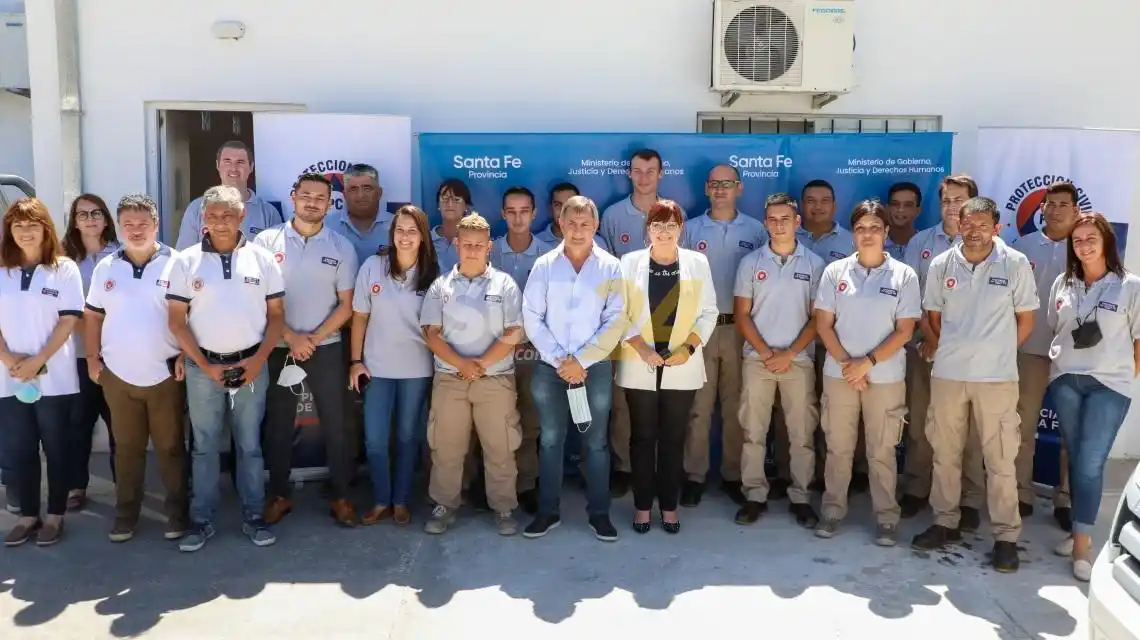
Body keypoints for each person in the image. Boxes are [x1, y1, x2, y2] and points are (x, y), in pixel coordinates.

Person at [911, 196, 1037, 573]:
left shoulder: (1014, 264)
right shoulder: (940, 264)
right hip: (948, 375)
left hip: (996, 379)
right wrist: (949, 348)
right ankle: (944, 521)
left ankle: (1005, 537)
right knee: (945, 453)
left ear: (997, 227)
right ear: (958, 224)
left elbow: (1026, 320)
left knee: (999, 460)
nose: (975, 230)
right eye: (968, 223)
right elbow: (930, 316)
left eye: (983, 224)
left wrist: (995, 351)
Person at [166, 185, 286, 552]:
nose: (220, 222)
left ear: (242, 217)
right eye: (213, 215)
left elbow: (277, 319)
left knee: (249, 445)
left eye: (228, 215)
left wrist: (257, 361)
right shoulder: (185, 261)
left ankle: (254, 515)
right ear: (203, 217)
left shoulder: (263, 260)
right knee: (203, 447)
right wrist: (203, 364)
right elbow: (176, 322)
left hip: (252, 364)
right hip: (204, 368)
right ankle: (201, 521)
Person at [813, 200, 921, 545]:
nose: (868, 234)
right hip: (840, 375)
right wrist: (849, 365)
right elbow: (823, 324)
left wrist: (868, 363)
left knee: (882, 451)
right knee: (838, 448)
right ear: (853, 234)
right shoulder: (835, 272)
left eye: (875, 227)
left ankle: (886, 517)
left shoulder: (904, 275)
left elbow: (905, 330)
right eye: (861, 228)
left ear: (887, 232)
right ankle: (832, 511)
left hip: (885, 378)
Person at [255, 173, 359, 528]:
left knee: (337, 423)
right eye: (306, 195)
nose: (313, 202)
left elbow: (347, 306)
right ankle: (279, 494)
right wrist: (291, 337)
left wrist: (311, 338)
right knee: (279, 424)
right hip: (279, 347)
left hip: (326, 347)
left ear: (330, 204)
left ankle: (341, 495)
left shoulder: (341, 246)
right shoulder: (266, 243)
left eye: (321, 198)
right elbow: (256, 300)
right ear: (293, 196)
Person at [83, 193, 189, 542]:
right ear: (120, 227)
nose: (136, 230)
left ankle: (177, 515)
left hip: (165, 375)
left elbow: (191, 317)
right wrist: (94, 359)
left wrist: (187, 355)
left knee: (171, 448)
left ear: (156, 224)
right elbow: (93, 317)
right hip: (119, 377)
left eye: (143, 223)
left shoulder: (177, 264)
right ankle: (126, 515)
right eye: (128, 224)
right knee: (126, 450)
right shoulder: (106, 267)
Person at [523, 195, 626, 541]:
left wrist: (580, 361)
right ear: (561, 224)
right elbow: (532, 318)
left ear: (595, 226)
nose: (578, 230)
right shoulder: (544, 266)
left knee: (596, 444)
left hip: (592, 368)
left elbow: (615, 320)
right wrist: (560, 361)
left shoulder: (611, 267)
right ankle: (547, 513)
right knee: (550, 440)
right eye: (572, 223)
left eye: (585, 224)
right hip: (550, 369)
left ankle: (599, 515)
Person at [1045, 212, 1138, 580]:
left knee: (1090, 463)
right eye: (1077, 240)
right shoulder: (1063, 284)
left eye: (1090, 239)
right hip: (1066, 378)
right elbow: (1057, 328)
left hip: (1108, 385)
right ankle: (1078, 531)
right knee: (1075, 455)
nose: (1083, 246)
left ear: (1106, 242)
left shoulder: (1130, 285)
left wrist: (1123, 375)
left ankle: (1083, 548)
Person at [419, 213, 524, 535]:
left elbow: (515, 331)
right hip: (451, 379)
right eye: (467, 245)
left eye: (479, 245)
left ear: (489, 247)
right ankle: (444, 505)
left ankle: (504, 508)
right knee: (447, 447)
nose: (473, 251)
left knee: (500, 447)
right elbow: (431, 333)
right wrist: (462, 364)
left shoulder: (504, 284)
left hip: (495, 380)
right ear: (456, 244)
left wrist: (480, 364)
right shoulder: (441, 286)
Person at [617, 200, 717, 533]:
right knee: (643, 439)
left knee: (674, 439)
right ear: (647, 228)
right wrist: (640, 347)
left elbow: (709, 312)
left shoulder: (697, 263)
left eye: (670, 225)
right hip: (639, 361)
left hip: (681, 363)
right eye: (657, 225)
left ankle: (670, 507)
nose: (664, 231)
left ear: (681, 228)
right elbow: (617, 312)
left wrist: (689, 347)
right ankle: (643, 506)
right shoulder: (629, 263)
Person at [899, 174, 987, 525]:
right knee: (921, 421)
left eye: (959, 199)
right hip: (925, 349)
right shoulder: (920, 243)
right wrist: (927, 340)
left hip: (971, 358)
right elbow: (910, 298)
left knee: (967, 428)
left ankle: (968, 498)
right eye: (947, 199)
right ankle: (918, 488)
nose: (952, 206)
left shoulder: (990, 246)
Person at [733, 194, 825, 527]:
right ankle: (754, 494)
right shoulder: (751, 263)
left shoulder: (815, 264)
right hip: (758, 359)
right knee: (753, 431)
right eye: (771, 219)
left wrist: (788, 353)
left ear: (797, 221)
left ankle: (800, 497)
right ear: (765, 223)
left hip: (798, 360)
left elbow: (818, 319)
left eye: (785, 218)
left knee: (801, 433)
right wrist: (768, 353)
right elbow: (742, 316)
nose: (778, 225)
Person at [678, 165, 768, 507]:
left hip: (740, 330)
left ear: (739, 188)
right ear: (705, 188)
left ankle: (733, 475)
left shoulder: (757, 230)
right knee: (698, 408)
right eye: (714, 184)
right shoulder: (690, 229)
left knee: (736, 407)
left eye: (727, 184)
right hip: (699, 330)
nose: (720, 190)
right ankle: (694, 475)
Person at [0, 198, 84, 547]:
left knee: (56, 447)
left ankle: (54, 515)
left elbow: (69, 320)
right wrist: (6, 358)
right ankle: (27, 515)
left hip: (55, 375)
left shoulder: (63, 269)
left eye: (32, 224)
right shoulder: (2, 270)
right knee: (19, 448)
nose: (24, 231)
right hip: (9, 376)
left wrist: (38, 360)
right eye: (17, 225)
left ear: (45, 228)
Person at [350, 205, 439, 526]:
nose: (405, 237)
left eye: (412, 231)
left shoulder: (433, 274)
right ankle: (380, 500)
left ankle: (400, 500)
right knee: (374, 439)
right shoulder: (372, 267)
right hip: (376, 368)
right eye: (399, 230)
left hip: (417, 369)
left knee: (406, 437)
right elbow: (359, 316)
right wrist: (356, 361)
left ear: (423, 237)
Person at [600, 149, 678, 496]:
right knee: (623, 402)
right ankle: (624, 468)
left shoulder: (673, 212)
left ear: (661, 174)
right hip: (624, 325)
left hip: (668, 325)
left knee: (669, 403)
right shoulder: (613, 215)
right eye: (637, 171)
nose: (644, 177)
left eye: (651, 171)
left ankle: (666, 471)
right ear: (629, 174)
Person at [1009, 180, 1080, 522]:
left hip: (1074, 354)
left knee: (1071, 430)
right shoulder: (1021, 248)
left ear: (1075, 209)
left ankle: (1064, 498)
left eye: (1062, 204)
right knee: (1022, 424)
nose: (1054, 210)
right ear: (1041, 208)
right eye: (1049, 204)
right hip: (1029, 349)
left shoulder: (1085, 246)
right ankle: (1020, 492)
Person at [490, 186, 552, 514]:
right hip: (493, 353)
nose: (517, 218)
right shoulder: (487, 252)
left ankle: (526, 484)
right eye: (511, 211)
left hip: (533, 352)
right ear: (502, 214)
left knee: (530, 420)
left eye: (524, 211)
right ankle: (495, 486)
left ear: (534, 213)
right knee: (493, 422)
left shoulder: (548, 256)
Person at [61, 193, 120, 512]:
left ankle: (124, 485)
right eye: (82, 215)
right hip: (78, 356)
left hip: (116, 355)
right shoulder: (62, 259)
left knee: (119, 425)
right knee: (78, 423)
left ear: (106, 218)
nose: (90, 219)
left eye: (96, 213)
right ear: (74, 221)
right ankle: (75, 486)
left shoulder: (121, 255)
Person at [174, 141, 285, 250]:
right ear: (217, 165)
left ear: (251, 167)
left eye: (240, 162)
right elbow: (184, 256)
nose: (234, 168)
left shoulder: (269, 213)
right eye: (227, 161)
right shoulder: (197, 207)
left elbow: (276, 258)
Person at [327, 163, 394, 266]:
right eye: (353, 189)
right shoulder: (326, 227)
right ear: (344, 195)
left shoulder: (399, 226)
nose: (360, 195)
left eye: (367, 188)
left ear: (379, 193)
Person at [536, 182, 612, 254]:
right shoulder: (536, 243)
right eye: (558, 205)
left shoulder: (598, 243)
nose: (564, 210)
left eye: (569, 204)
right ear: (550, 209)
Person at [432, 178, 472, 272]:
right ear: (438, 204)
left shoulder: (476, 242)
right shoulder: (425, 241)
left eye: (456, 199)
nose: (449, 204)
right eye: (444, 198)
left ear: (466, 206)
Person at [885, 182, 922, 260]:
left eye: (908, 205)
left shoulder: (926, 244)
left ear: (918, 211)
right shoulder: (876, 246)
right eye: (895, 204)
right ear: (887, 209)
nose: (901, 210)